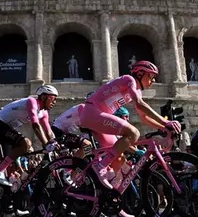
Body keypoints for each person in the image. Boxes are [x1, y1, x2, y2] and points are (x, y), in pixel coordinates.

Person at [78, 61, 181, 193]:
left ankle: (112, 199)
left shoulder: (137, 90)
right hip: (92, 112)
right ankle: (100, 166)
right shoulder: (129, 79)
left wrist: (163, 127)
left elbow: (143, 117)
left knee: (119, 157)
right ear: (140, 73)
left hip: (98, 116)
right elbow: (139, 104)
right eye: (151, 76)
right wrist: (166, 122)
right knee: (133, 133)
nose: (153, 80)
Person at [0, 84, 60, 187]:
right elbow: (36, 126)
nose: (54, 102)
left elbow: (48, 131)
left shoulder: (44, 112)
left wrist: (54, 142)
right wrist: (46, 144)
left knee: (15, 161)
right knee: (25, 143)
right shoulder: (32, 102)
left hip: (9, 129)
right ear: (43, 97)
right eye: (53, 98)